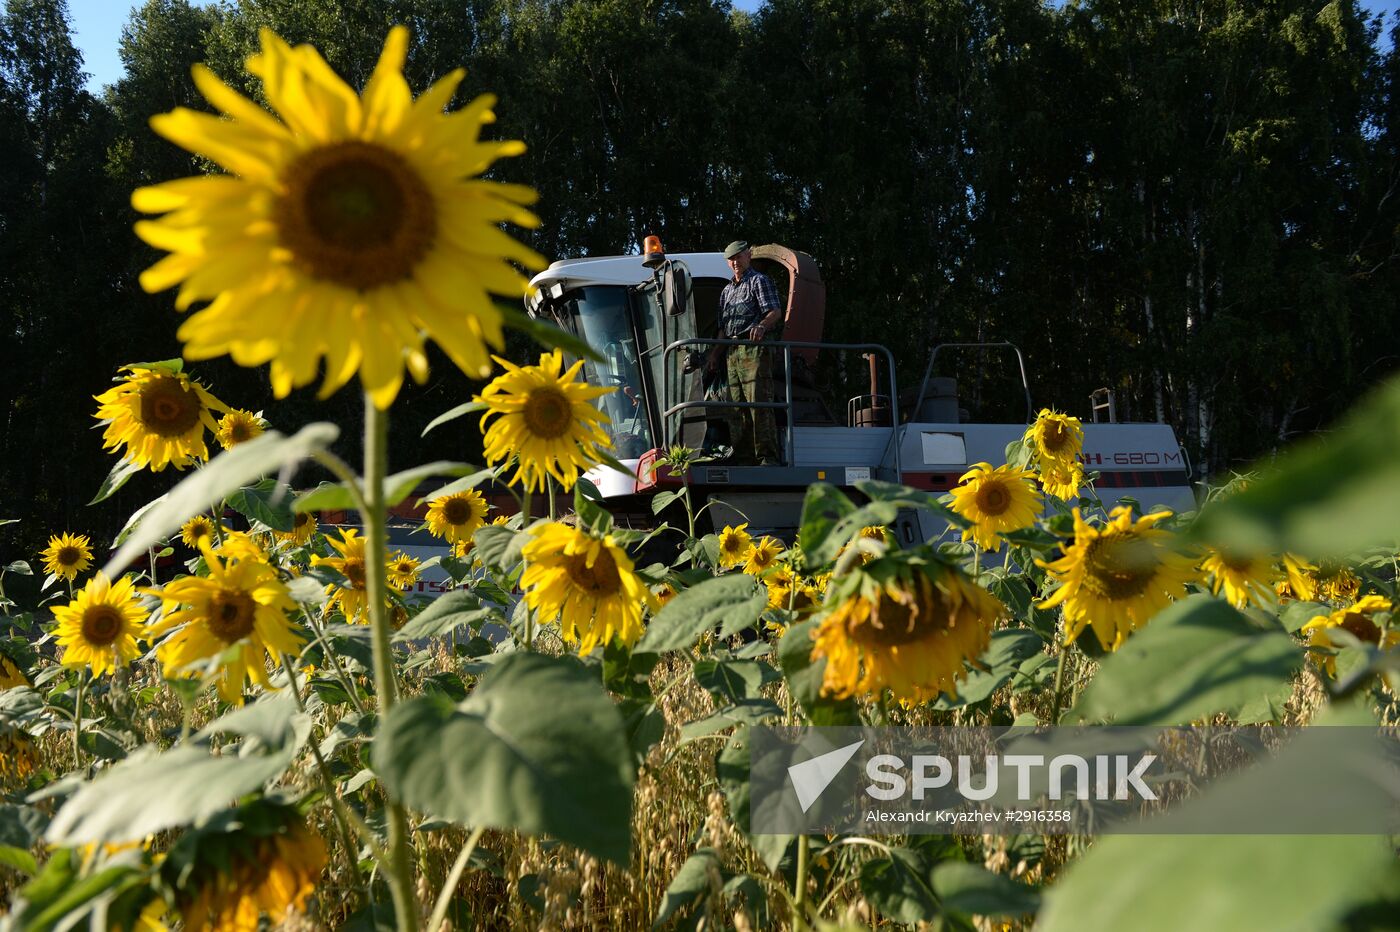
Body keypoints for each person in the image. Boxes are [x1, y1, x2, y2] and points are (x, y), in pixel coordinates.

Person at [712, 240, 783, 465]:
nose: (735, 262)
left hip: (753, 349)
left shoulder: (759, 281)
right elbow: (723, 328)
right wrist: (715, 355)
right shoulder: (726, 291)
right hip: (731, 352)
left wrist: (762, 325)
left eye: (738, 257)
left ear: (748, 256)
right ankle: (743, 457)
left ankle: (767, 457)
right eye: (731, 259)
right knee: (735, 407)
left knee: (758, 403)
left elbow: (774, 311)